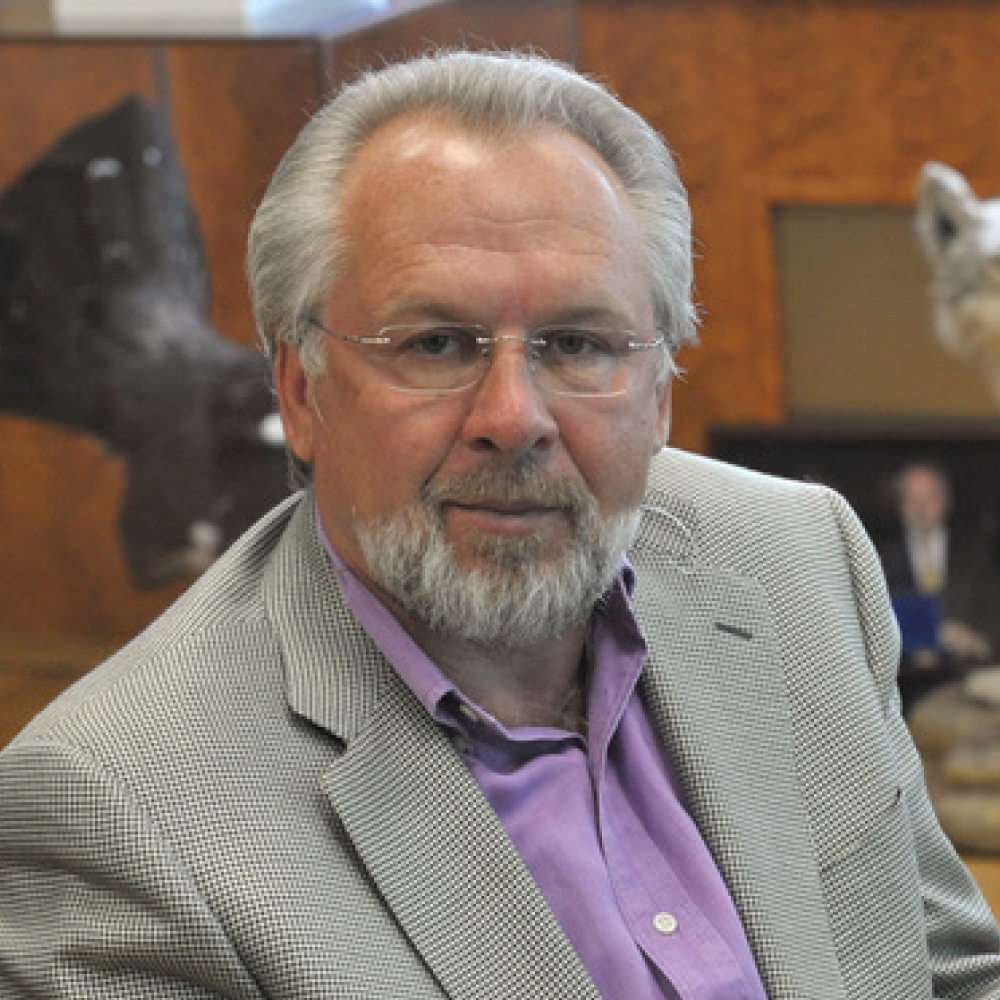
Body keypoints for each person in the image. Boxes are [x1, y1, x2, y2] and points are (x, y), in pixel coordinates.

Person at [1, 50, 998, 1000]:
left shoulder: (796, 557)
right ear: (301, 393)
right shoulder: (117, 820)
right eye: (436, 344)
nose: (514, 418)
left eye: (577, 343)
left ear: (659, 392)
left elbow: (949, 973)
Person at [879, 461, 998, 667]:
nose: (921, 507)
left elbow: (994, 608)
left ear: (945, 502)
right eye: (912, 499)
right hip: (904, 675)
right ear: (900, 505)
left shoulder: (975, 552)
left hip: (968, 670)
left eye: (929, 497)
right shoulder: (881, 557)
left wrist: (977, 641)